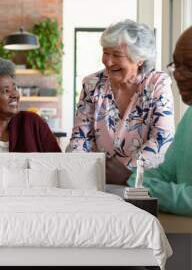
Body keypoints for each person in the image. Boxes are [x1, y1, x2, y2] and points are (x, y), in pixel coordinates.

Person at [67, 19, 175, 183]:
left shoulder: (157, 84)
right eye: (105, 52)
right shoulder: (92, 84)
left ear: (140, 58)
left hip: (142, 181)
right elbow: (80, 138)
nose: (108, 61)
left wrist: (126, 174)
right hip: (97, 179)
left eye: (117, 55)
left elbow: (161, 140)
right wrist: (83, 171)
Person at [126, 26, 192, 216]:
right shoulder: (189, 118)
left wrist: (153, 190)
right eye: (176, 65)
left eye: (190, 66)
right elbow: (146, 179)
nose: (178, 75)